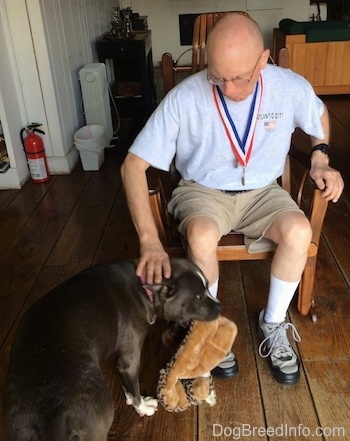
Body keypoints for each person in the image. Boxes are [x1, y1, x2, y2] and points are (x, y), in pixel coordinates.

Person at [120, 13, 344, 385]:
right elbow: (131, 166)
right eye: (217, 77)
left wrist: (321, 158)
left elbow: (319, 115)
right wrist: (149, 240)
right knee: (203, 234)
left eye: (240, 78)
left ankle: (273, 323)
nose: (228, 89)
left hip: (264, 191)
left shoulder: (288, 86)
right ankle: (208, 329)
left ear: (264, 60)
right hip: (202, 192)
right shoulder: (184, 96)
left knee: (299, 231)